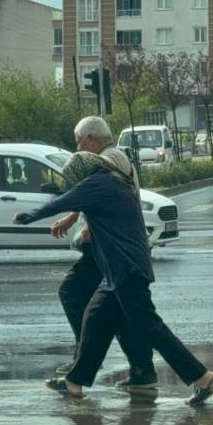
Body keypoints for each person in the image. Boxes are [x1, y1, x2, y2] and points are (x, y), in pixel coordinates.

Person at [14, 152, 213, 406]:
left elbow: (62, 202)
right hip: (118, 270)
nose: (75, 183)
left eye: (75, 179)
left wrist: (29, 215)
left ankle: (201, 377)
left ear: (83, 172)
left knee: (150, 327)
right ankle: (75, 381)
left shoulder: (96, 184)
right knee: (94, 317)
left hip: (125, 269)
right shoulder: (113, 180)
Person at [50, 116, 157, 389]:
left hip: (108, 247)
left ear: (91, 139)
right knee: (120, 309)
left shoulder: (113, 158)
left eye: (79, 142)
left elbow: (109, 195)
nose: (78, 148)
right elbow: (91, 192)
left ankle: (84, 360)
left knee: (73, 293)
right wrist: (74, 218)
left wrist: (94, 229)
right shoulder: (109, 159)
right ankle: (141, 371)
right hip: (112, 247)